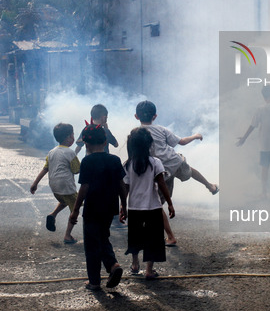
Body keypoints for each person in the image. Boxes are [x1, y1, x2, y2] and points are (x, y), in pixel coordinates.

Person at [135, 100, 219, 246]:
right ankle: (210, 186)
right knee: (190, 171)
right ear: (154, 116)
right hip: (174, 162)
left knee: (155, 204)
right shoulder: (161, 129)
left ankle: (170, 236)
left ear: (136, 117)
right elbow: (181, 142)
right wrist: (195, 135)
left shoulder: (136, 134)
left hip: (159, 171)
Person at [69, 124, 127, 291]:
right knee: (103, 237)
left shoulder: (87, 161)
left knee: (92, 244)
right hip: (110, 207)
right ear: (105, 141)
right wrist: (124, 204)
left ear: (86, 144)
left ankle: (94, 281)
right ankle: (113, 265)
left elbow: (84, 188)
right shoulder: (115, 160)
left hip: (93, 208)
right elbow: (121, 185)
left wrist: (75, 210)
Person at [121, 127, 174, 280]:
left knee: (135, 236)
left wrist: (122, 207)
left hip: (134, 207)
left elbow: (125, 188)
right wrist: (169, 203)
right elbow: (162, 184)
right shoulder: (155, 162)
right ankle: (149, 270)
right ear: (149, 144)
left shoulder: (128, 164)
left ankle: (135, 264)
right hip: (153, 207)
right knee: (153, 238)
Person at [30, 123, 80, 244]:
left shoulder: (51, 152)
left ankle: (53, 215)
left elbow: (45, 169)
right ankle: (68, 236)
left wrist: (35, 184)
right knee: (75, 209)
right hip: (66, 186)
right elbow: (76, 170)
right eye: (72, 135)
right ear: (69, 137)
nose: (74, 137)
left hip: (55, 188)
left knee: (64, 200)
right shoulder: (70, 153)